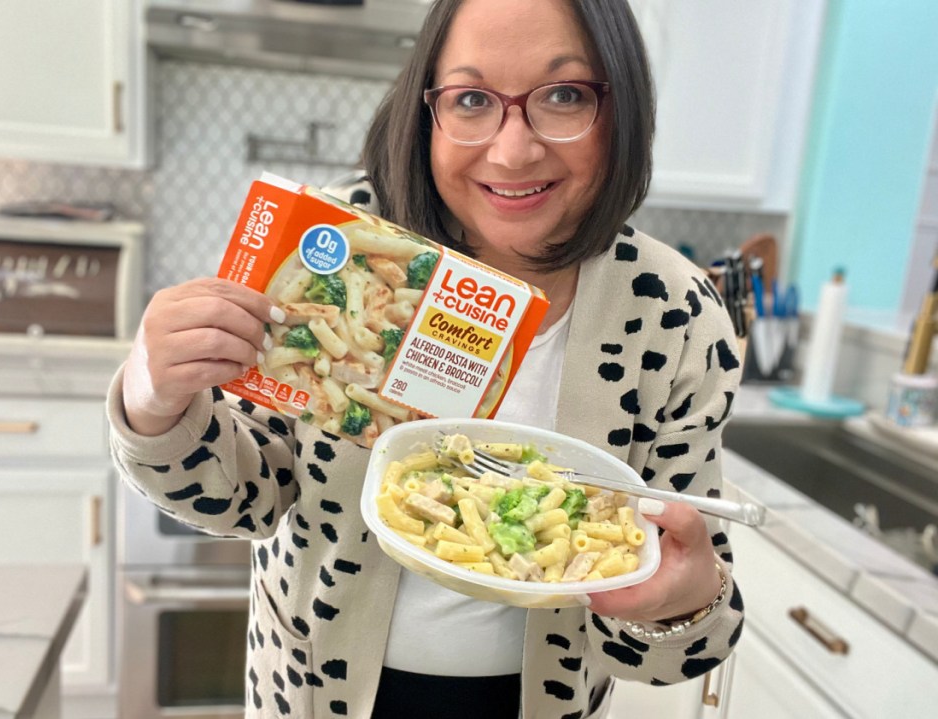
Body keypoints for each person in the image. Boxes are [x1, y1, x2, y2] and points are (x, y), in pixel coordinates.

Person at [107, 0, 745, 716]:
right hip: (318, 694)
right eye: (472, 99)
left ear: (621, 107)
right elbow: (242, 499)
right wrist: (154, 400)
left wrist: (683, 603)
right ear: (426, 110)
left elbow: (670, 649)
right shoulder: (340, 250)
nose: (512, 151)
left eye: (564, 95)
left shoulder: (675, 315)